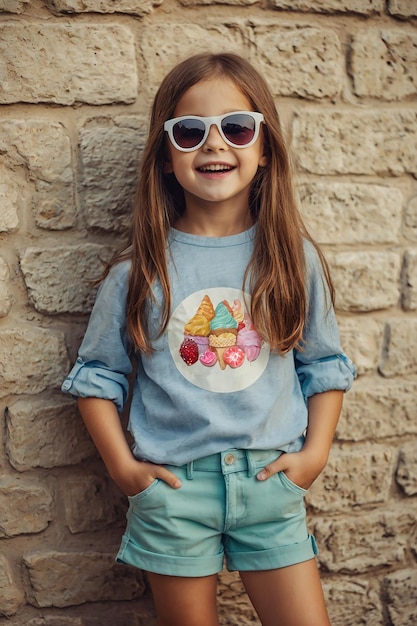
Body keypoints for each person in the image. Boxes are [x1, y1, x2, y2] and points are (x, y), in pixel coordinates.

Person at [61, 52, 356, 626]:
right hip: (176, 493)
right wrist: (125, 470)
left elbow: (323, 365)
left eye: (237, 128)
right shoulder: (138, 273)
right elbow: (97, 378)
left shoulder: (293, 261)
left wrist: (314, 452)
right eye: (191, 131)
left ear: (264, 148)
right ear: (168, 157)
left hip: (270, 486)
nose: (215, 144)